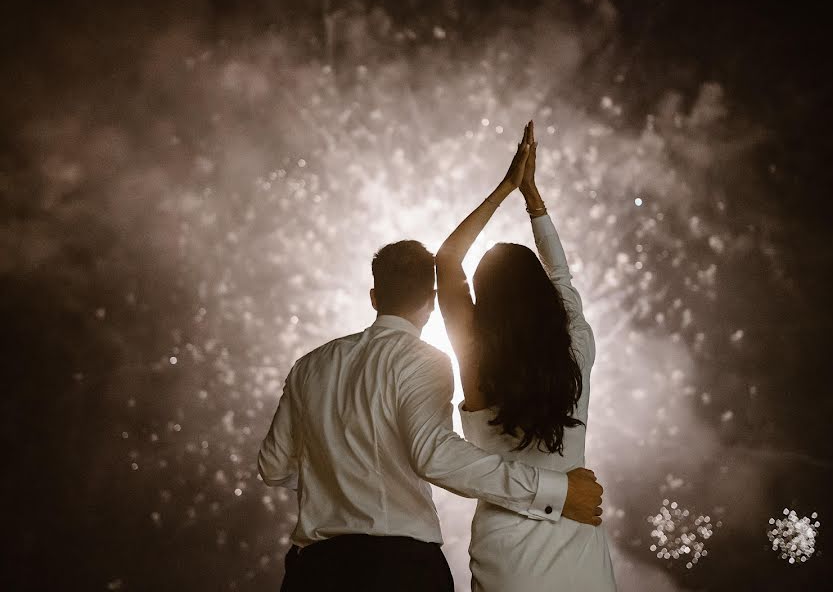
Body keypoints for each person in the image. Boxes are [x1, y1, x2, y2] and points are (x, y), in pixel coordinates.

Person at [258, 206, 605, 590]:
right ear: (430, 297)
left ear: (374, 297)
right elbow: (433, 454)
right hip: (404, 567)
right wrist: (531, 200)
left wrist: (331, 477)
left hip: (316, 569)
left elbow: (272, 467)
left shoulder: (308, 366)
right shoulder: (574, 353)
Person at [435, 121, 617, 591]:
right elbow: (562, 276)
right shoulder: (577, 349)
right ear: (541, 296)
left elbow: (446, 261)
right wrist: (532, 198)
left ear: (485, 304)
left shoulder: (476, 362)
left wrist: (505, 187)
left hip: (507, 559)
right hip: (581, 555)